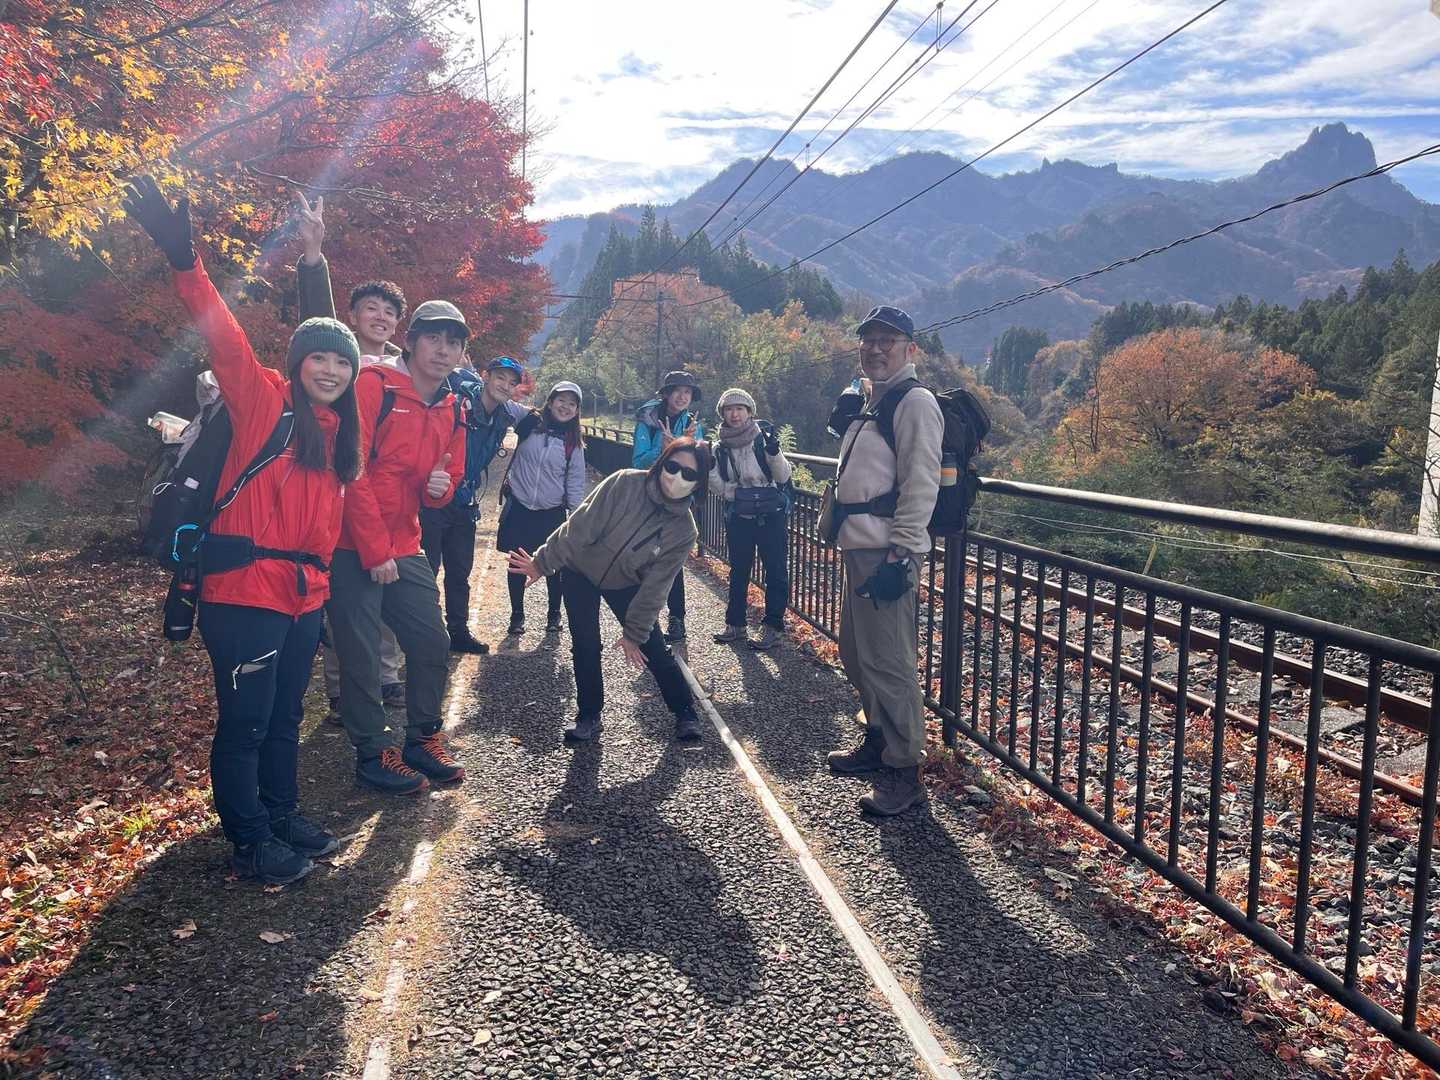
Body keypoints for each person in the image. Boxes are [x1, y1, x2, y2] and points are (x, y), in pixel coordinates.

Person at [124, 176, 357, 884]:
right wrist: (185, 262)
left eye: (341, 362)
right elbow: (223, 335)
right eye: (318, 359)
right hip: (243, 589)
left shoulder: (337, 430)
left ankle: (281, 815)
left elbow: (324, 334)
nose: (330, 369)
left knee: (285, 718)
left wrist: (315, 261)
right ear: (296, 363)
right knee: (247, 721)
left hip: (304, 595)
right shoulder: (263, 404)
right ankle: (250, 840)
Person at [326, 300, 469, 795]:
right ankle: (372, 752)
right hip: (349, 543)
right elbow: (351, 469)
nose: (443, 350)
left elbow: (449, 474)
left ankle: (422, 738)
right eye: (433, 338)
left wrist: (440, 490)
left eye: (453, 342)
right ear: (410, 341)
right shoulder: (374, 387)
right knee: (361, 652)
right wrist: (375, 550)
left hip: (405, 540)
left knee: (431, 641)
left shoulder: (453, 406)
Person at [508, 438, 710, 746]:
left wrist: (635, 633)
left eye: (689, 474)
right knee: (585, 644)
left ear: (698, 483)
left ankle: (685, 711)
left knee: (654, 647)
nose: (677, 477)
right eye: (672, 466)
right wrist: (543, 562)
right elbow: (579, 526)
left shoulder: (684, 530)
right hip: (579, 571)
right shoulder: (625, 482)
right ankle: (589, 714)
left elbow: (657, 586)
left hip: (626, 581)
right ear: (661, 463)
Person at [290, 192, 407, 716]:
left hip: (389, 503)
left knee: (385, 595)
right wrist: (314, 256)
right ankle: (341, 690)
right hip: (337, 492)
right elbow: (316, 319)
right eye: (370, 308)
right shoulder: (340, 361)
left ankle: (386, 676)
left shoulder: (409, 369)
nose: (380, 317)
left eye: (390, 312)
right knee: (340, 600)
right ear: (354, 315)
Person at [824, 306, 943, 817]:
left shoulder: (914, 402)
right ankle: (878, 738)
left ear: (909, 349)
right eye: (867, 340)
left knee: (889, 661)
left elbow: (921, 481)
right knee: (857, 652)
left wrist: (902, 552)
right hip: (860, 546)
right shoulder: (873, 400)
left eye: (886, 341)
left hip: (885, 551)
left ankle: (904, 771)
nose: (875, 348)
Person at [421, 355, 528, 652]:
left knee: (459, 572)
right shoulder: (459, 403)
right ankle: (427, 637)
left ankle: (458, 631)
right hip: (435, 497)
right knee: (428, 571)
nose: (505, 385)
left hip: (465, 502)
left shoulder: (503, 417)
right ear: (485, 376)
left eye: (511, 382)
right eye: (500, 377)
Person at [497, 381, 588, 636]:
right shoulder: (530, 423)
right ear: (550, 402)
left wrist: (576, 519)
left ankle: (553, 613)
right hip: (520, 506)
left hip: (551, 512)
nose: (565, 407)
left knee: (554, 566)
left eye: (572, 404)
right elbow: (503, 403)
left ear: (577, 410)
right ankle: (517, 615)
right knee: (517, 563)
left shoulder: (574, 443)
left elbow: (575, 482)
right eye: (561, 400)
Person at [709, 388, 792, 651]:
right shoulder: (719, 448)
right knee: (739, 571)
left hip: (771, 515)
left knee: (775, 571)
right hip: (740, 515)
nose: (734, 414)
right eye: (729, 409)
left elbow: (783, 476)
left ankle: (773, 627)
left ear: (749, 412)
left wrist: (774, 453)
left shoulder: (762, 439)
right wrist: (735, 491)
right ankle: (735, 625)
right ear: (722, 414)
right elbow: (717, 486)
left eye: (740, 409)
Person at [632, 370, 704, 643]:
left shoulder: (692, 423)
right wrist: (662, 450)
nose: (682, 397)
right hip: (648, 498)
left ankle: (677, 619)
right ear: (666, 394)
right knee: (642, 557)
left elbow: (699, 464)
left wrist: (690, 445)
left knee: (673, 560)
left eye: (687, 392)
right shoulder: (648, 421)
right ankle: (646, 620)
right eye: (677, 391)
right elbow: (637, 461)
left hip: (677, 500)